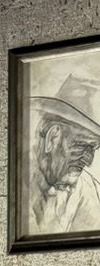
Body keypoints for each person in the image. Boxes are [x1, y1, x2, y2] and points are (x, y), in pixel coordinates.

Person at [28, 74, 100, 235]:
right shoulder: (18, 180)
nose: (88, 161)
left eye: (93, 148)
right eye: (82, 145)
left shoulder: (88, 188)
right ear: (52, 137)